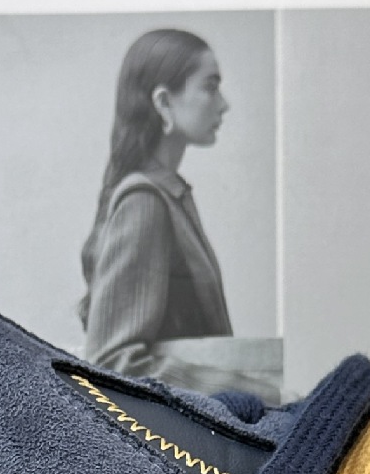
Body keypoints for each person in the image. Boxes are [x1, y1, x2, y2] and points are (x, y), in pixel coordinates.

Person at [77, 28, 280, 399]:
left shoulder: (170, 197)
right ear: (164, 102)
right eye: (210, 87)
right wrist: (253, 393)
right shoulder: (144, 200)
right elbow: (112, 363)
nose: (223, 104)